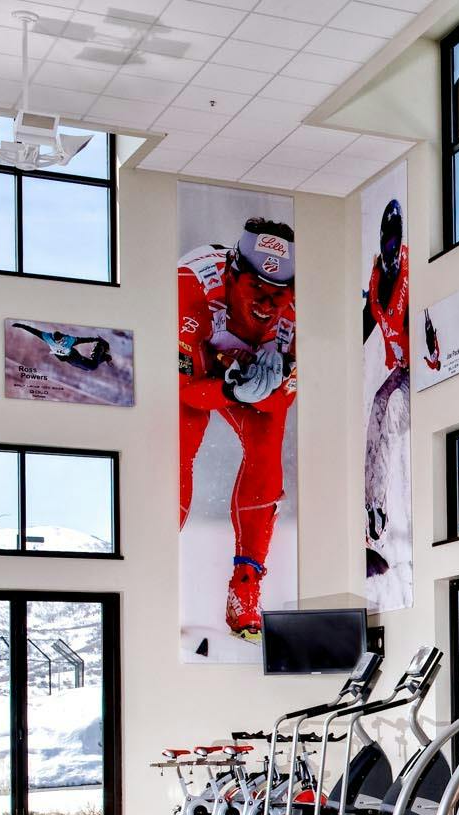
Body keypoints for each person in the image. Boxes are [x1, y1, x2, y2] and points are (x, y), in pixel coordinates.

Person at [178, 216, 298, 640]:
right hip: (199, 369)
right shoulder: (190, 286)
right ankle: (153, 577)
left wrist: (257, 388)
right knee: (180, 448)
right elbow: (186, 389)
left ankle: (245, 590)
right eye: (257, 290)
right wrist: (230, 386)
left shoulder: (297, 314)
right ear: (232, 272)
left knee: (268, 454)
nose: (267, 305)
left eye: (278, 295)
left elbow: (283, 399)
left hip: (243, 376)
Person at [360, 198, 410, 585]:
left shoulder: (411, 273)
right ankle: (373, 508)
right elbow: (365, 322)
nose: (391, 250)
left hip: (424, 374)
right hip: (402, 368)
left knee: (391, 409)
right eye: (387, 242)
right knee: (375, 409)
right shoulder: (379, 277)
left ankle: (387, 510)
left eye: (396, 242)